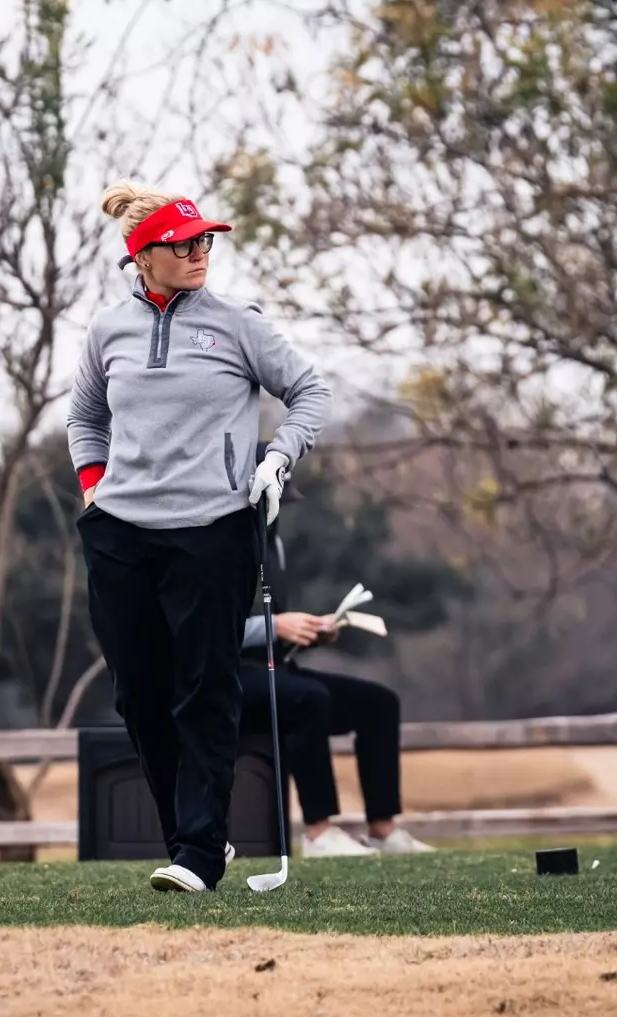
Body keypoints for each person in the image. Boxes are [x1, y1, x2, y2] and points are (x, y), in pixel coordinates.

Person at [68, 179, 333, 892]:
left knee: (204, 689)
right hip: (120, 533)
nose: (198, 253)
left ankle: (198, 849)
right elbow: (85, 418)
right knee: (138, 695)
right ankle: (192, 840)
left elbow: (309, 392)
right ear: (142, 257)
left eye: (204, 240)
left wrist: (278, 458)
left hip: (214, 530)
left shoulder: (237, 323)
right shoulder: (107, 330)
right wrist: (94, 489)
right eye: (181, 244)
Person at [237, 454, 434, 857]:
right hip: (223, 679)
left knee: (378, 703)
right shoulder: (220, 546)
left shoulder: (273, 544)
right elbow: (202, 633)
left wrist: (307, 633)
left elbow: (272, 629)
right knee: (308, 700)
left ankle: (382, 829)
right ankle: (319, 832)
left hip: (273, 668)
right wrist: (274, 627)